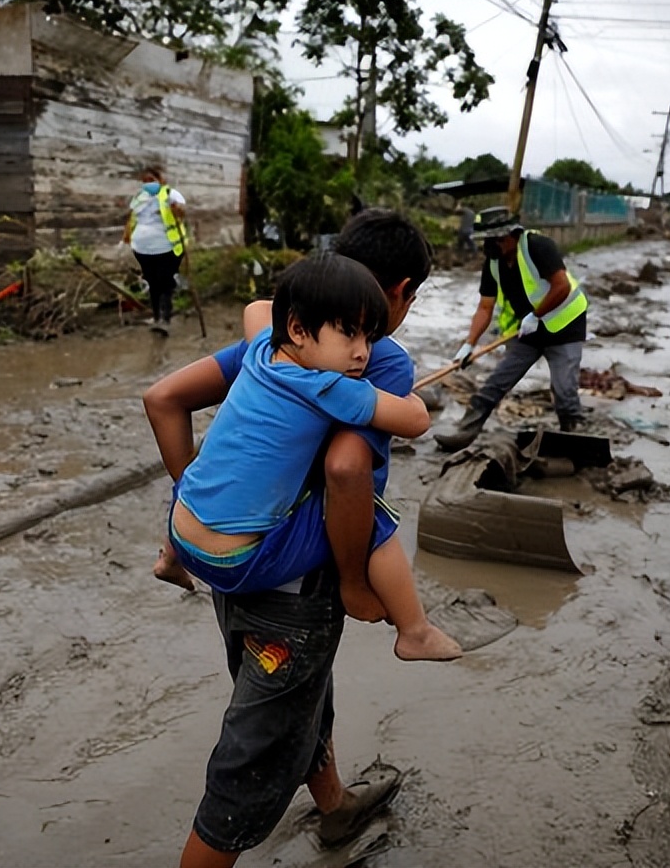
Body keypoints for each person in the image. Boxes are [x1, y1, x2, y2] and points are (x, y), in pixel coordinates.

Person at [141, 209, 435, 867]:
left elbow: (166, 394)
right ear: (401, 292)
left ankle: (335, 807)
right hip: (291, 587)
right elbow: (345, 467)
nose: (362, 345)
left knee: (296, 704)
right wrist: (356, 581)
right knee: (252, 758)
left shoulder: (278, 339)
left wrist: (198, 491)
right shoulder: (379, 361)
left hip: (228, 564)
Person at [150, 253, 461, 662]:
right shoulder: (326, 387)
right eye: (348, 334)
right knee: (369, 507)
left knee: (213, 462)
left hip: (181, 527)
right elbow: (416, 419)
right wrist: (397, 391)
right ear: (297, 328)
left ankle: (170, 558)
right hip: (236, 564)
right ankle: (414, 630)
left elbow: (256, 310)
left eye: (369, 338)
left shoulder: (261, 347)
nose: (362, 354)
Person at [433, 213, 589, 453]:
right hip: (526, 332)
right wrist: (469, 344)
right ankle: (464, 433)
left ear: (509, 236)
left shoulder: (538, 247)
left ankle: (574, 438)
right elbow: (485, 307)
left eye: (492, 241)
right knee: (496, 383)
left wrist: (537, 316)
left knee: (564, 389)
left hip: (564, 326)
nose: (487, 247)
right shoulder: (493, 262)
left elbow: (562, 286)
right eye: (484, 241)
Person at [123, 165, 186, 334]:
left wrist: (176, 209)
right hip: (142, 249)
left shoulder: (170, 194)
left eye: (151, 180)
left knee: (165, 282)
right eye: (144, 181)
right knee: (152, 283)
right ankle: (156, 317)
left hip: (166, 248)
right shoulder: (139, 197)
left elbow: (181, 213)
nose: (147, 184)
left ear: (160, 179)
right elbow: (132, 218)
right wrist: (127, 234)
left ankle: (166, 320)